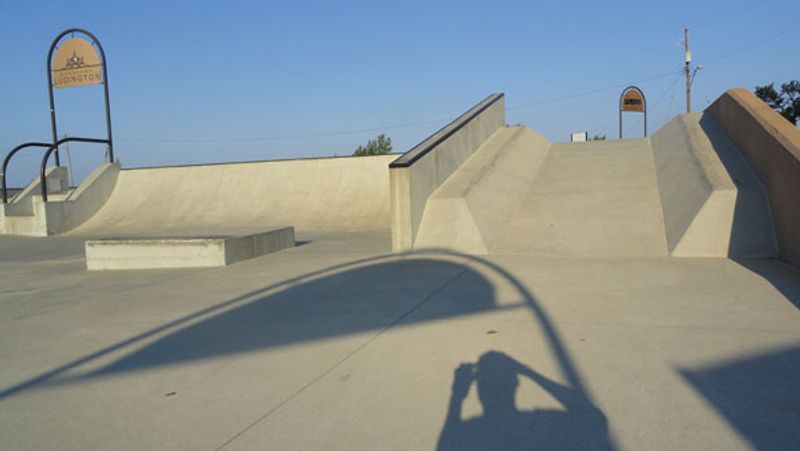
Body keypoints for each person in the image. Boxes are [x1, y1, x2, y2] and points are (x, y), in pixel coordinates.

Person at [437, 351, 612, 451]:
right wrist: (531, 373)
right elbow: (593, 418)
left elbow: (446, 445)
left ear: (478, 390)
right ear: (516, 383)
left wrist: (457, 396)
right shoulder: (541, 425)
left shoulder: (471, 432)